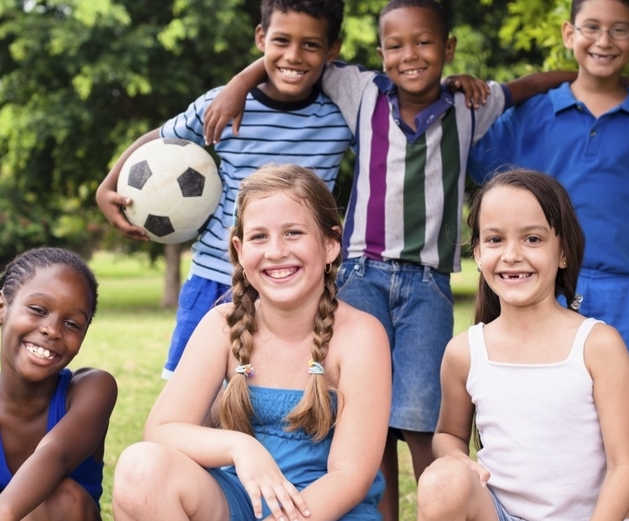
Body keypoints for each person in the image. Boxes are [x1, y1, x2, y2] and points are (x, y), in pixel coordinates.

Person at [202, 1, 580, 517]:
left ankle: (441, 508)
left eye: (424, 43)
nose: (410, 55)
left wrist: (600, 81)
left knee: (423, 417)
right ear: (380, 53)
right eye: (395, 46)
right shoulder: (359, 91)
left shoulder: (470, 105)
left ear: (448, 49)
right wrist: (237, 85)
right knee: (366, 418)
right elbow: (289, 56)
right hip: (361, 272)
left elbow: (529, 84)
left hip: (428, 283)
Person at [468, 2, 629, 516]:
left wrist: (610, 248)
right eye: (591, 28)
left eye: (619, 30)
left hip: (622, 291)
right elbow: (479, 164)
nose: (604, 40)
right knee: (538, 408)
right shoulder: (535, 112)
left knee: (616, 425)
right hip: (538, 285)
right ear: (569, 33)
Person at [111, 164, 391, 521]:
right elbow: (162, 430)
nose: (275, 251)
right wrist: (239, 447)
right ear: (240, 251)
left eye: (293, 233)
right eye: (259, 237)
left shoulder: (361, 336)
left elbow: (349, 476)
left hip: (325, 511)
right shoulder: (221, 326)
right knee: (140, 469)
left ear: (330, 244)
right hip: (240, 502)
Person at [95, 0, 353, 380]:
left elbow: (397, 94)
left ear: (333, 50)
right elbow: (163, 137)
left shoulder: (341, 116)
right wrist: (108, 184)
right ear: (260, 37)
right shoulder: (225, 106)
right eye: (281, 40)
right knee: (193, 401)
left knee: (277, 395)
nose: (294, 56)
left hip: (296, 284)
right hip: (216, 276)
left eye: (311, 45)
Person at [416, 169, 629, 521]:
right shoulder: (465, 352)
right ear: (477, 253)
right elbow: (447, 434)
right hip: (502, 514)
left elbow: (624, 466)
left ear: (563, 251)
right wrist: (458, 460)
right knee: (441, 481)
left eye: (532, 239)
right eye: (494, 240)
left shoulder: (598, 346)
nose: (512, 254)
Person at [0, 247, 118, 521]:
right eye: (38, 310)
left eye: (72, 323)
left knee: (61, 498)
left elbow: (56, 455)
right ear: (0, 308)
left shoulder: (92, 389)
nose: (52, 330)